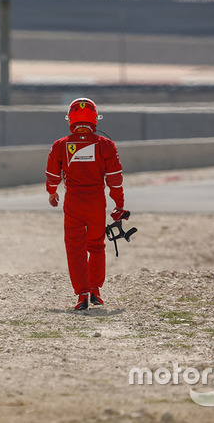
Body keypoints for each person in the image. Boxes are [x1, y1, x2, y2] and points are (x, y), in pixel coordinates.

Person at [45, 97, 128, 311]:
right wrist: (119, 204)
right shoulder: (106, 145)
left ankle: (82, 294)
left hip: (73, 203)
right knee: (96, 246)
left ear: (70, 119)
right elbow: (115, 179)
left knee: (75, 249)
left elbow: (52, 174)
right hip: (96, 203)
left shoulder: (60, 145)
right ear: (95, 119)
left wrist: (52, 192)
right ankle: (95, 291)